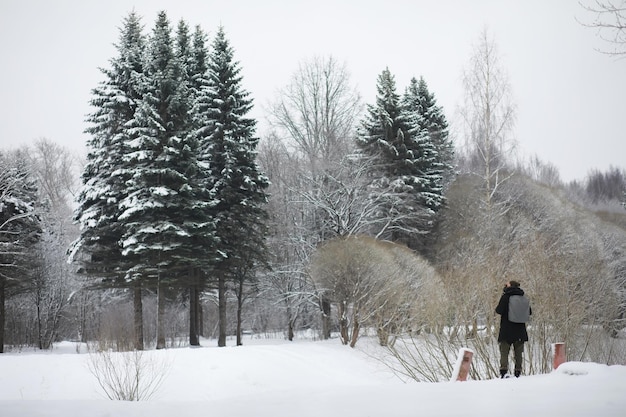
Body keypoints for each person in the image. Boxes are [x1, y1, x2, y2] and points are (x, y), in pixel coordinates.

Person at [495, 280, 531, 378]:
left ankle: (503, 372)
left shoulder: (506, 297)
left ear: (510, 286)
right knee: (518, 353)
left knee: (504, 352)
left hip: (506, 330)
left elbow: (498, 310)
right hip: (520, 331)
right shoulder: (523, 298)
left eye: (506, 284)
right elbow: (529, 312)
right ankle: (518, 372)